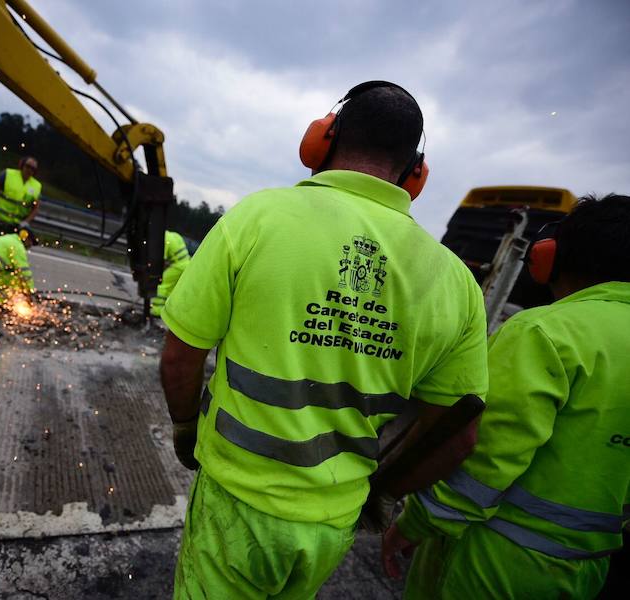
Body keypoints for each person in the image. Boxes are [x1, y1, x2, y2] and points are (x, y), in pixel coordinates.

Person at [159, 81, 489, 599]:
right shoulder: (456, 283)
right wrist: (383, 491)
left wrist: (184, 429)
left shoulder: (257, 218)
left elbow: (181, 356)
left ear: (322, 140)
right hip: (332, 523)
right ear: (415, 174)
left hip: (237, 503)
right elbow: (458, 435)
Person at [383, 194, 630, 599]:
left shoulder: (545, 332)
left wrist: (415, 524)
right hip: (589, 569)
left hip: (494, 558)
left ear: (554, 257)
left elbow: (484, 456)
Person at [0, 156, 42, 241]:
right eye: (27, 166)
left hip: (19, 225)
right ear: (22, 165)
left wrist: (26, 222)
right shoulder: (8, 174)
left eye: (33, 169)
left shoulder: (36, 186)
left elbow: (36, 208)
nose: (29, 170)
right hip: (2, 221)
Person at [150, 230, 191, 318]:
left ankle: (156, 311)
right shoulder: (174, 235)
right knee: (171, 289)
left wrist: (158, 274)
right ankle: (168, 311)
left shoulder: (163, 240)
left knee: (162, 284)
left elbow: (162, 260)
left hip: (178, 266)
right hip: (187, 264)